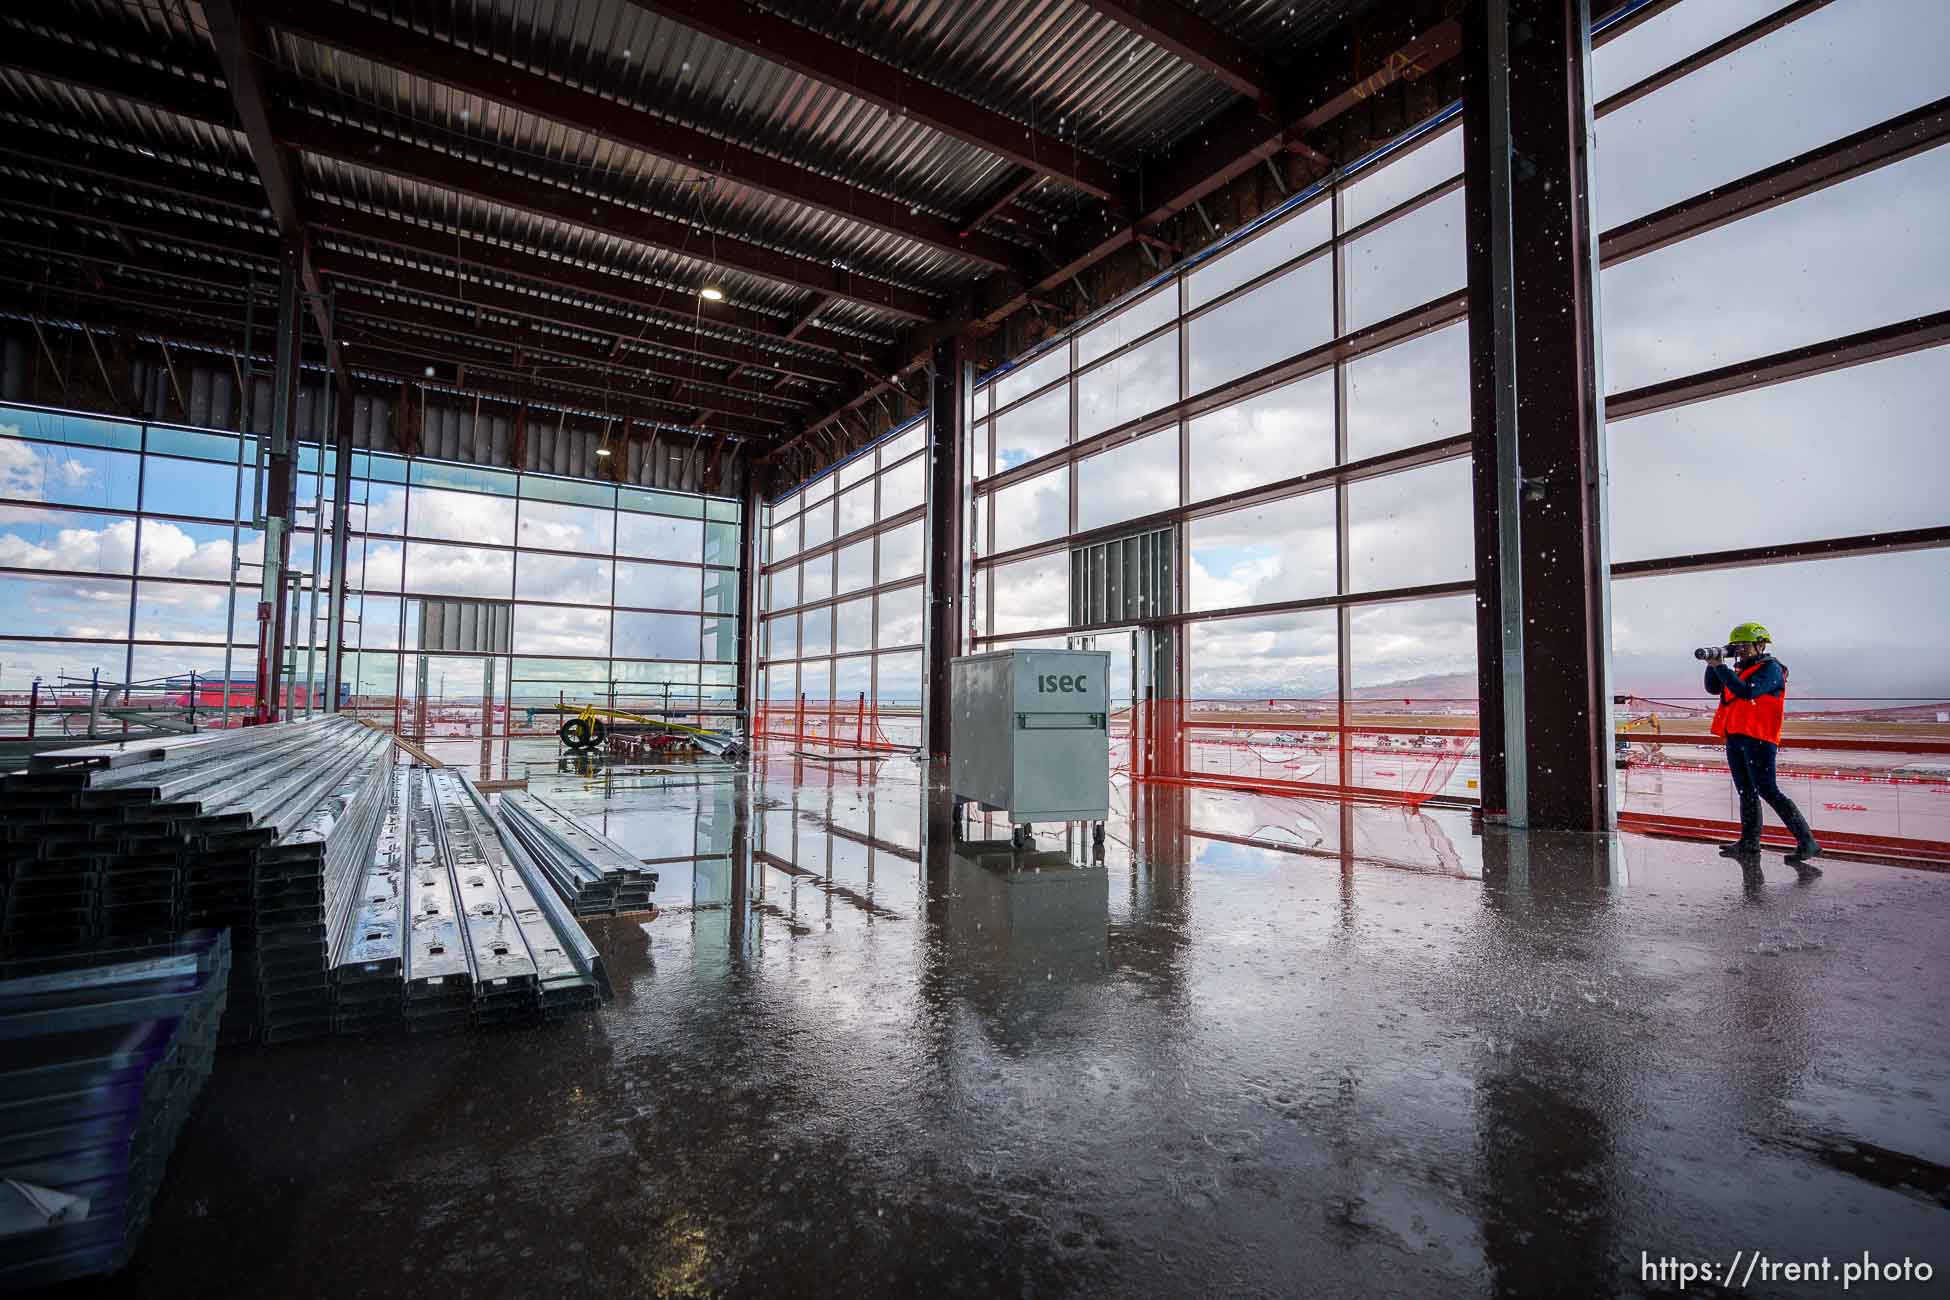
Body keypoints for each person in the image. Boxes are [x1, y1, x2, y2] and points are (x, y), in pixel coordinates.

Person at [1703, 622, 1821, 873]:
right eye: (1737, 647)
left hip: (1759, 738)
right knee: (1746, 790)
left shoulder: (1771, 669)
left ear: (1760, 645)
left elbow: (1747, 692)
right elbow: (1713, 688)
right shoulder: (1736, 669)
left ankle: (1806, 841)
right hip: (1735, 736)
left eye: (1745, 646)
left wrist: (1721, 667)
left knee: (1768, 790)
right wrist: (1713, 664)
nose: (1741, 651)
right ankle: (1749, 842)